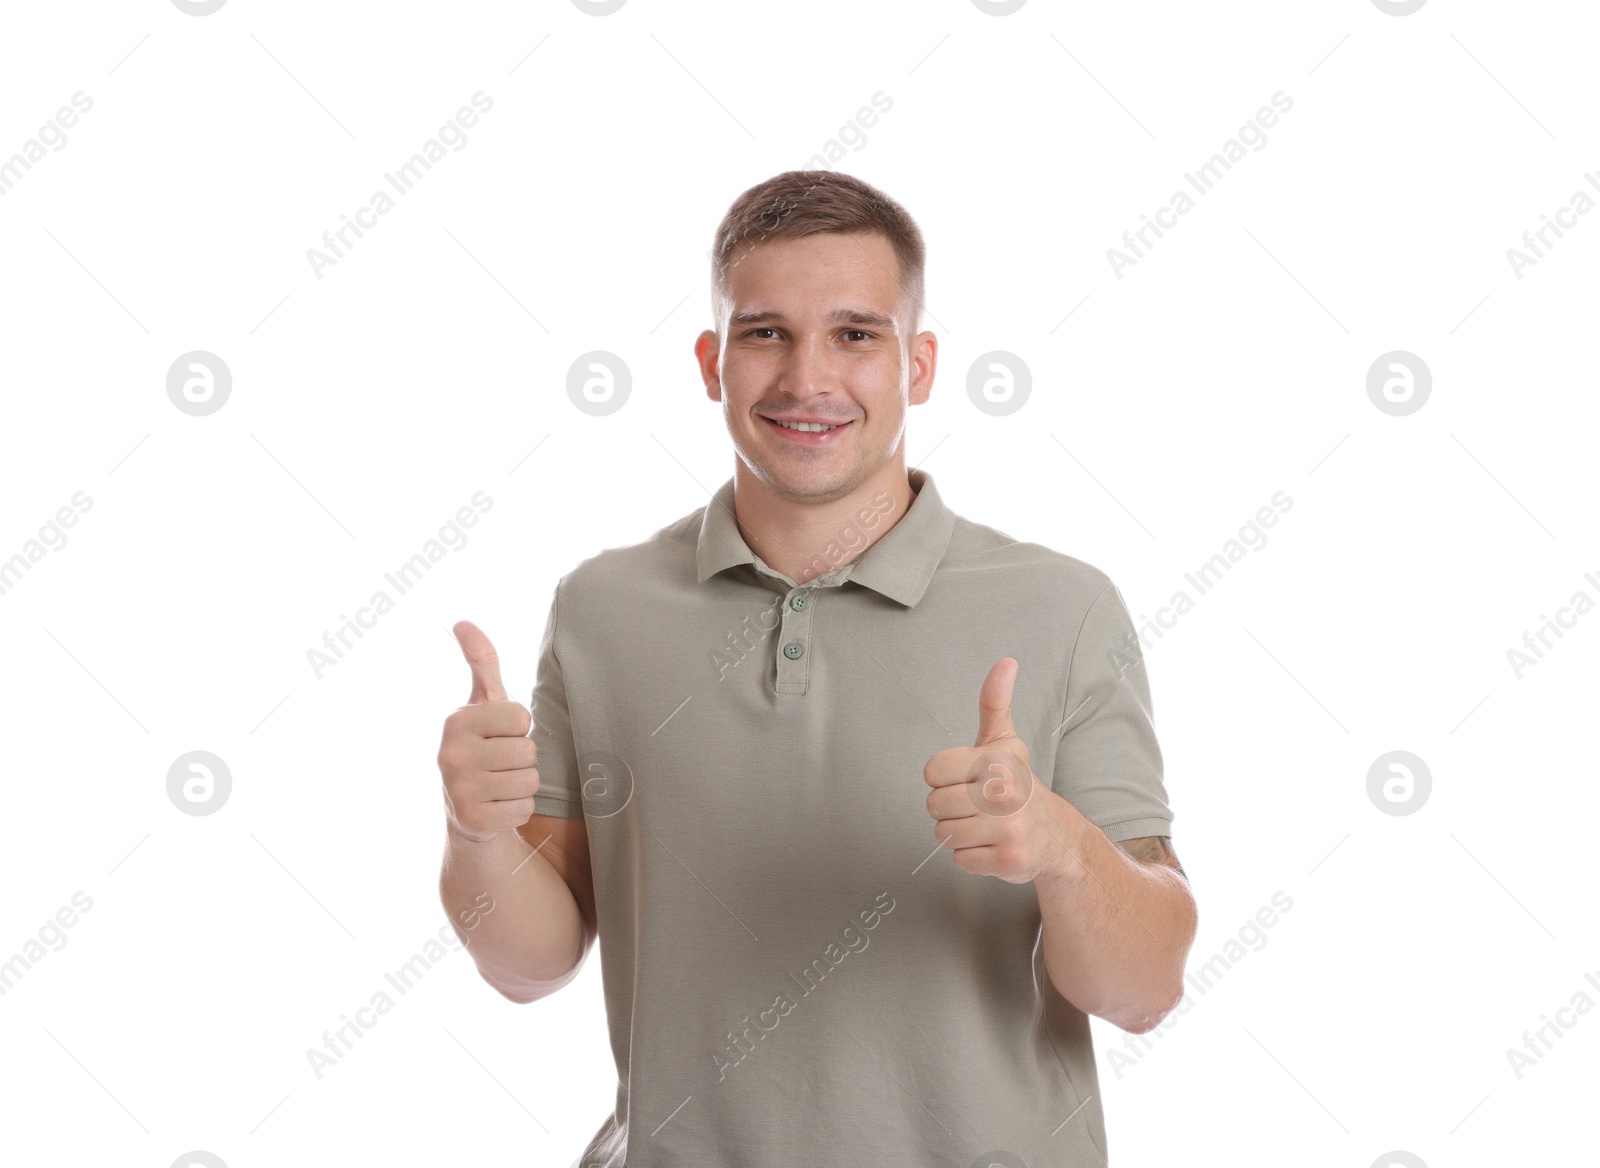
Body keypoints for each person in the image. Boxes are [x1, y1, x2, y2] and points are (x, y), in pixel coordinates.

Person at [437, 170, 1198, 1167]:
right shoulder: (601, 609)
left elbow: (1144, 990)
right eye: (765, 333)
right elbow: (526, 966)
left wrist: (1060, 848)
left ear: (917, 364)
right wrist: (478, 834)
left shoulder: (1061, 607)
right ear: (711, 362)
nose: (807, 379)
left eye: (854, 333)